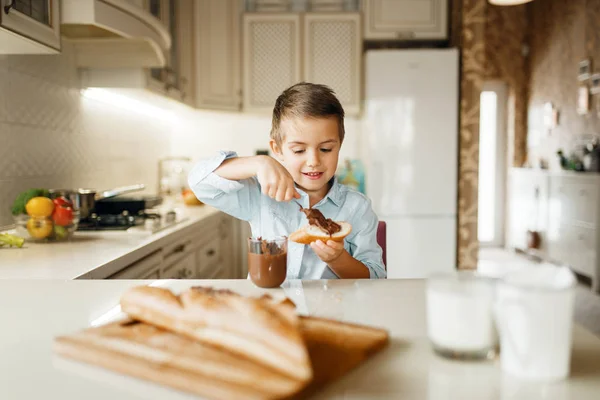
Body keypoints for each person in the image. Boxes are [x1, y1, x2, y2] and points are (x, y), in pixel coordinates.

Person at [188, 82, 386, 279]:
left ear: (339, 145)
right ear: (277, 149)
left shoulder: (357, 207)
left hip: (331, 308)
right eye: (299, 150)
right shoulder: (260, 195)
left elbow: (376, 278)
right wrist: (259, 163)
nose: (313, 162)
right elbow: (200, 183)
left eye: (325, 149)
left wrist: (338, 259)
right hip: (269, 305)